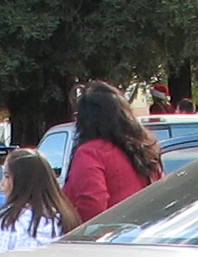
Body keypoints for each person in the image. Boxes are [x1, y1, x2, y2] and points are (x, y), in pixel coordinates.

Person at [62, 82, 163, 223]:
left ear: (85, 119)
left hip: (109, 237)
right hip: (147, 232)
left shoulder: (91, 152)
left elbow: (92, 204)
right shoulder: (145, 148)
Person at [0, 149, 78, 253]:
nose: (2, 183)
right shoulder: (64, 216)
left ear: (22, 183)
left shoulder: (7, 220)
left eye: (7, 176)